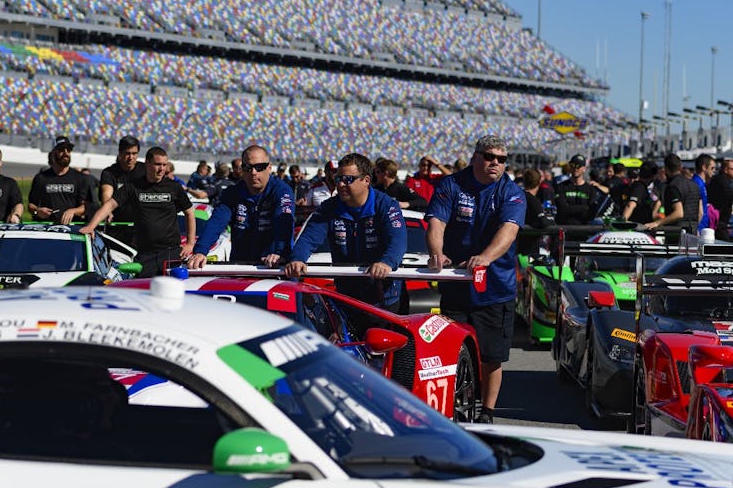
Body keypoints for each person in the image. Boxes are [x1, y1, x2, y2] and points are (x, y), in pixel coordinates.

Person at [425, 135, 525, 425]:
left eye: (501, 159)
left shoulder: (511, 192)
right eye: (489, 157)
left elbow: (509, 231)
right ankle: (451, 404)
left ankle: (487, 413)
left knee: (492, 357)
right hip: (456, 284)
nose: (495, 163)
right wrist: (436, 253)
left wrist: (485, 257)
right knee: (449, 353)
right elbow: (436, 222)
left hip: (496, 288)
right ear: (476, 157)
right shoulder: (451, 184)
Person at [285, 153, 407, 310]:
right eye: (338, 179)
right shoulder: (329, 207)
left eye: (348, 179)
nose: (341, 184)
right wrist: (298, 258)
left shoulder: (386, 205)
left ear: (366, 180)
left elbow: (398, 241)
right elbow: (309, 237)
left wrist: (386, 262)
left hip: (385, 297)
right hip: (346, 296)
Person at [80, 147, 194, 278]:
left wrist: (190, 244)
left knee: (170, 288)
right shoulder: (133, 186)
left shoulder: (174, 187)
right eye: (157, 164)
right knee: (143, 288)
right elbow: (110, 205)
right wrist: (91, 226)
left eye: (164, 165)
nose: (162, 169)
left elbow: (190, 213)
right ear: (147, 163)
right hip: (145, 254)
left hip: (171, 252)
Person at [187, 145, 295, 269]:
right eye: (248, 167)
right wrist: (201, 251)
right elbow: (217, 222)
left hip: (272, 265)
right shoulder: (233, 192)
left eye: (259, 167)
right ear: (242, 169)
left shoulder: (281, 191)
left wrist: (281, 253)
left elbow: (284, 222)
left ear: (269, 168)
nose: (253, 172)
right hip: (240, 265)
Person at [28, 135, 89, 224]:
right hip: (47, 227)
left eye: (68, 150)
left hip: (72, 227)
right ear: (53, 153)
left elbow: (86, 207)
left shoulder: (80, 178)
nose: (65, 153)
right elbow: (31, 206)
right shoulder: (41, 178)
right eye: (61, 149)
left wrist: (73, 211)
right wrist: (37, 211)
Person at [644, 154, 701, 233]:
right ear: (680, 167)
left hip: (677, 231)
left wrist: (657, 223)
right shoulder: (694, 185)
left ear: (666, 169)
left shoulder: (673, 186)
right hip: (693, 229)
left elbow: (679, 213)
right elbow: (700, 212)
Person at [517, 169, 555, 256]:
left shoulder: (519, 196)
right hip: (529, 246)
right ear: (539, 182)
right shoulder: (534, 200)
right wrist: (551, 221)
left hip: (517, 243)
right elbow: (543, 222)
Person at [554, 154, 597, 225]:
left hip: (583, 228)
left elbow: (591, 213)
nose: (575, 168)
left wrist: (570, 208)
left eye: (578, 166)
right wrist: (585, 208)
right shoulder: (561, 187)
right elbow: (562, 209)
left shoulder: (590, 190)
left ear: (584, 169)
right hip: (564, 227)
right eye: (573, 165)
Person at [622, 161, 661, 225]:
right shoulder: (639, 187)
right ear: (652, 176)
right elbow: (630, 205)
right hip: (637, 227)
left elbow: (657, 201)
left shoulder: (643, 187)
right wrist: (622, 223)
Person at [707, 158, 733, 240]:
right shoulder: (722, 181)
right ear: (725, 170)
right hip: (718, 221)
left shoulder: (718, 179)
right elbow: (729, 195)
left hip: (717, 220)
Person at [692, 153, 716, 231]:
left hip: (703, 226)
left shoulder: (701, 183)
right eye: (712, 168)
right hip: (699, 227)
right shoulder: (697, 183)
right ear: (704, 167)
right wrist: (696, 229)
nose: (714, 171)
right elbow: (699, 210)